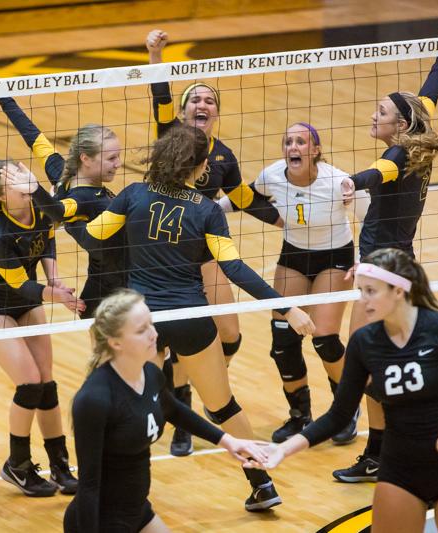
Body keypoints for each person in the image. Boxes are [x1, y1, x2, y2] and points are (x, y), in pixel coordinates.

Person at [75, 125, 315, 511]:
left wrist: (63, 202)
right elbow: (235, 269)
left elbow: (90, 237)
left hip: (143, 320)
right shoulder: (205, 211)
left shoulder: (133, 195)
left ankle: (110, 487)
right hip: (191, 317)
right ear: (202, 169)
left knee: (134, 405)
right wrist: (287, 306)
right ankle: (262, 483)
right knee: (223, 407)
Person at [261, 248, 438, 533]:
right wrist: (283, 450)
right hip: (399, 471)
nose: (362, 301)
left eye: (371, 291)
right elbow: (339, 416)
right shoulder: (365, 342)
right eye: (360, 291)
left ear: (398, 290)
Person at [146, 29, 282, 457]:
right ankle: (186, 411)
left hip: (206, 252)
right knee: (182, 335)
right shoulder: (169, 136)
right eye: (195, 100)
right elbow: (159, 97)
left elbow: (240, 197)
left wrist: (282, 219)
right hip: (165, 254)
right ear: (184, 111)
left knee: (229, 333)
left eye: (210, 101)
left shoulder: (221, 155)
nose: (202, 105)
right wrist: (155, 55)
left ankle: (194, 384)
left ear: (215, 114)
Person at [333, 22, 438, 482]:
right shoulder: (415, 135)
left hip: (384, 270)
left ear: (399, 126)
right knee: (389, 359)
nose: (373, 117)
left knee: (366, 361)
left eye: (380, 112)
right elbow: (429, 96)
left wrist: (352, 181)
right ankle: (400, 443)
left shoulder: (399, 156)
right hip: (398, 263)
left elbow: (378, 172)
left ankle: (380, 452)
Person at [64, 289, 273, 532]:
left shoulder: (150, 374)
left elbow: (173, 409)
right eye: (141, 330)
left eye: (151, 324)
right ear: (115, 342)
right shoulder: (95, 400)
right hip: (102, 522)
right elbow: (89, 486)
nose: (154, 335)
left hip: (138, 511)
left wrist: (228, 440)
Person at [228, 122, 370, 445]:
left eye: (301, 142)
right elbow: (244, 197)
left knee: (324, 339)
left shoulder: (338, 181)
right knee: (283, 340)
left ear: (315, 150)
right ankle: (299, 415)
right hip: (294, 255)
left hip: (335, 257)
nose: (293, 147)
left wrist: (362, 257)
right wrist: (210, 209)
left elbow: (370, 216)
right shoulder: (273, 175)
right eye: (288, 141)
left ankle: (345, 411)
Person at [0, 63, 126, 319]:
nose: (118, 164)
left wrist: (0, 93)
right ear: (85, 158)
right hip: (115, 280)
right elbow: (59, 212)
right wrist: (36, 190)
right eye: (111, 159)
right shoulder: (83, 199)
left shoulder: (61, 174)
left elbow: (32, 135)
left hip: (120, 275)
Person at [0, 158, 85, 497]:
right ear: (1, 196)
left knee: (47, 384)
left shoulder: (39, 207)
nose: (24, 186)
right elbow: (22, 287)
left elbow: (46, 240)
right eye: (15, 183)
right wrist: (56, 296)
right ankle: (17, 465)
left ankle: (59, 464)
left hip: (28, 300)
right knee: (30, 384)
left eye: (23, 177)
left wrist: (55, 280)